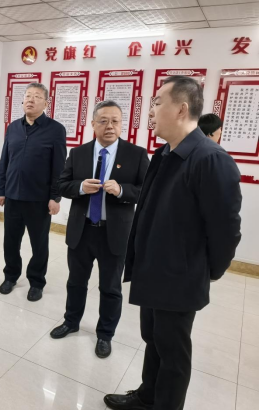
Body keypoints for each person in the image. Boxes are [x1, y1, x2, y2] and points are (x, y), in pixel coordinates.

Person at [104, 76, 242, 410]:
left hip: (179, 276)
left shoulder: (210, 159)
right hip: (153, 269)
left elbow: (226, 230)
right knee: (153, 339)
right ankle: (147, 396)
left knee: (173, 352)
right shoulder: (166, 153)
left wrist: (206, 271)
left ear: (181, 109)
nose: (150, 110)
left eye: (157, 102)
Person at [51, 100, 149, 358]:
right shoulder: (79, 153)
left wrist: (122, 190)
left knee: (110, 287)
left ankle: (105, 334)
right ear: (93, 124)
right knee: (76, 282)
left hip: (114, 233)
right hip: (82, 230)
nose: (110, 126)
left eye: (115, 121)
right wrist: (81, 187)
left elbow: (147, 192)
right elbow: (62, 185)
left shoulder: (136, 154)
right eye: (103, 121)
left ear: (122, 124)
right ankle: (71, 321)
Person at [0, 82, 67, 302]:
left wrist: (55, 197)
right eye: (28, 95)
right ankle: (10, 276)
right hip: (13, 196)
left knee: (39, 244)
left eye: (37, 96)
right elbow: (5, 161)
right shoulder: (13, 128)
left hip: (39, 199)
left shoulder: (55, 130)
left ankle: (36, 282)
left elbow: (59, 168)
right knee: (10, 242)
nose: (31, 99)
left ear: (46, 103)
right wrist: (1, 189)